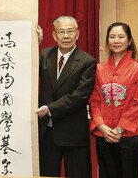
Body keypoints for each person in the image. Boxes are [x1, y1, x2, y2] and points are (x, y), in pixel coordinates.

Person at [35, 16, 97, 178]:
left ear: (77, 34)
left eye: (70, 31)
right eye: (61, 32)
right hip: (47, 131)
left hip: (73, 132)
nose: (66, 36)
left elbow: (80, 96)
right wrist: (35, 43)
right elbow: (27, 72)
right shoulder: (44, 54)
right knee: (46, 174)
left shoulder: (87, 61)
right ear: (55, 36)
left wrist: (50, 109)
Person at [89, 22, 138, 178]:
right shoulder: (99, 69)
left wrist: (120, 129)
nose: (116, 40)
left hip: (129, 138)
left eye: (121, 37)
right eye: (112, 37)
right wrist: (101, 126)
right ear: (108, 41)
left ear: (129, 41)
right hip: (104, 137)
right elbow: (94, 101)